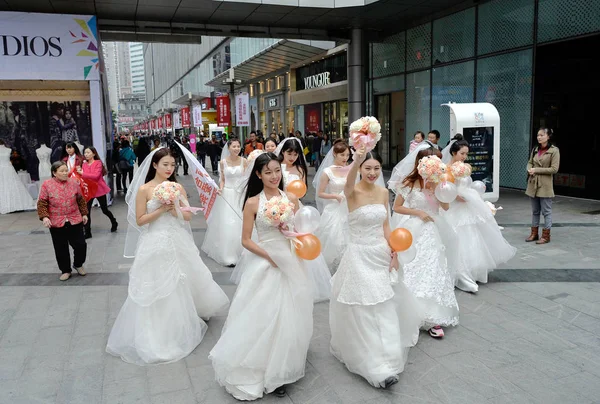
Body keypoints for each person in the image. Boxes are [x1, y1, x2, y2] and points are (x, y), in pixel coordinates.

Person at [107, 148, 230, 365]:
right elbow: (141, 220)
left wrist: (174, 209)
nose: (169, 168)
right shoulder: (144, 189)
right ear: (154, 165)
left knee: (186, 276)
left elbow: (188, 216)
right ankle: (161, 324)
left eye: (172, 165)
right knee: (159, 282)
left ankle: (191, 312)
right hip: (154, 241)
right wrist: (162, 210)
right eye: (165, 164)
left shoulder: (177, 187)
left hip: (177, 238)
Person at [209, 152, 313, 400]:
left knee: (291, 310)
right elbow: (245, 240)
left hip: (290, 258)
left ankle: (283, 363)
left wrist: (293, 234)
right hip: (266, 261)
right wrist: (268, 256)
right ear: (258, 174)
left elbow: (300, 229)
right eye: (268, 172)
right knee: (264, 313)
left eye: (277, 171)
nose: (274, 176)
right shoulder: (253, 202)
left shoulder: (290, 198)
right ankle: (261, 365)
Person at [329, 146, 421, 389]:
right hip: (358, 255)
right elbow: (348, 184)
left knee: (384, 305)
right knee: (364, 307)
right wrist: (358, 155)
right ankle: (372, 363)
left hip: (380, 253)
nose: (372, 172)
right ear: (359, 169)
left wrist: (394, 252)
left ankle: (388, 356)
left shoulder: (382, 193)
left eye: (376, 168)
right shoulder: (351, 192)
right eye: (367, 168)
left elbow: (387, 226)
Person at [389, 142, 459, 338]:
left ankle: (433, 318)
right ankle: (409, 312)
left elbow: (445, 207)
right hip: (414, 229)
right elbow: (397, 207)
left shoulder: (439, 182)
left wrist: (439, 188)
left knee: (434, 268)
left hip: (433, 230)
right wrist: (417, 212)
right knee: (412, 267)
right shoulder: (409, 183)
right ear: (420, 163)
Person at [441, 135, 516, 292]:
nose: (465, 157)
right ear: (454, 152)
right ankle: (460, 273)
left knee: (472, 237)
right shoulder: (446, 169)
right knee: (458, 238)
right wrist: (457, 196)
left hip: (467, 206)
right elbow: (445, 190)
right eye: (462, 153)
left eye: (466, 153)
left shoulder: (464, 167)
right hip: (455, 207)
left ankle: (473, 271)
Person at [275, 138, 331, 302]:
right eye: (288, 153)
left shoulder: (300, 169)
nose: (291, 157)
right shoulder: (276, 167)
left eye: (295, 153)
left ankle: (302, 281)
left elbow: (302, 191)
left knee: (299, 239)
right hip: (277, 206)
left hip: (296, 207)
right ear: (283, 152)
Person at [37, 161, 88, 281]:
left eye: (66, 170)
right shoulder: (47, 185)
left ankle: (78, 264)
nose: (65, 173)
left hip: (74, 218)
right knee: (61, 248)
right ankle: (65, 270)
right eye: (62, 171)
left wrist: (84, 213)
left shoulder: (74, 183)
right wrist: (45, 217)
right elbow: (42, 203)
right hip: (56, 221)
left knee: (81, 245)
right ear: (54, 173)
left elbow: (80, 200)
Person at [201, 138, 247, 266]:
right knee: (227, 223)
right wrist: (220, 189)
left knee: (242, 221)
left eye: (238, 146)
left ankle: (243, 252)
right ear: (228, 148)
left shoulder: (244, 161)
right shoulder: (223, 163)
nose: (237, 149)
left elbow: (246, 179)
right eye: (234, 146)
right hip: (227, 193)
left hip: (240, 194)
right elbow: (222, 179)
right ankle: (229, 254)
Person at [313, 140, 351, 271]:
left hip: (348, 207)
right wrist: (335, 196)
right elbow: (320, 193)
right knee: (333, 238)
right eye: (342, 155)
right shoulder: (327, 172)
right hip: (333, 208)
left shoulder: (350, 169)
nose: (345, 158)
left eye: (347, 155)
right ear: (335, 154)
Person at [526, 127, 560, 244]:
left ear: (548, 136)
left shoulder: (554, 151)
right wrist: (529, 169)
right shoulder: (535, 149)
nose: (539, 137)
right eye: (538, 135)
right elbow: (530, 162)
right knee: (535, 211)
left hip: (545, 185)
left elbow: (554, 169)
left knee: (546, 211)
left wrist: (537, 170)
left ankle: (546, 235)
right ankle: (534, 233)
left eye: (541, 135)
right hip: (533, 183)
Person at [78, 146, 118, 239]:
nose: (86, 155)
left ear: (94, 154)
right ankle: (87, 232)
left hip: (99, 189)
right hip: (89, 190)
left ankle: (114, 221)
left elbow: (95, 176)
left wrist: (82, 174)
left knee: (104, 210)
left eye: (88, 153)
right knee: (86, 211)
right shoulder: (84, 164)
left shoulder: (98, 163)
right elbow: (83, 178)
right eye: (85, 153)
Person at [0, 140, 35, 214]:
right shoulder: (8, 149)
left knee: (11, 184)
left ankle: (15, 204)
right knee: (4, 185)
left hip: (8, 169)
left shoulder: (9, 150)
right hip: (5, 168)